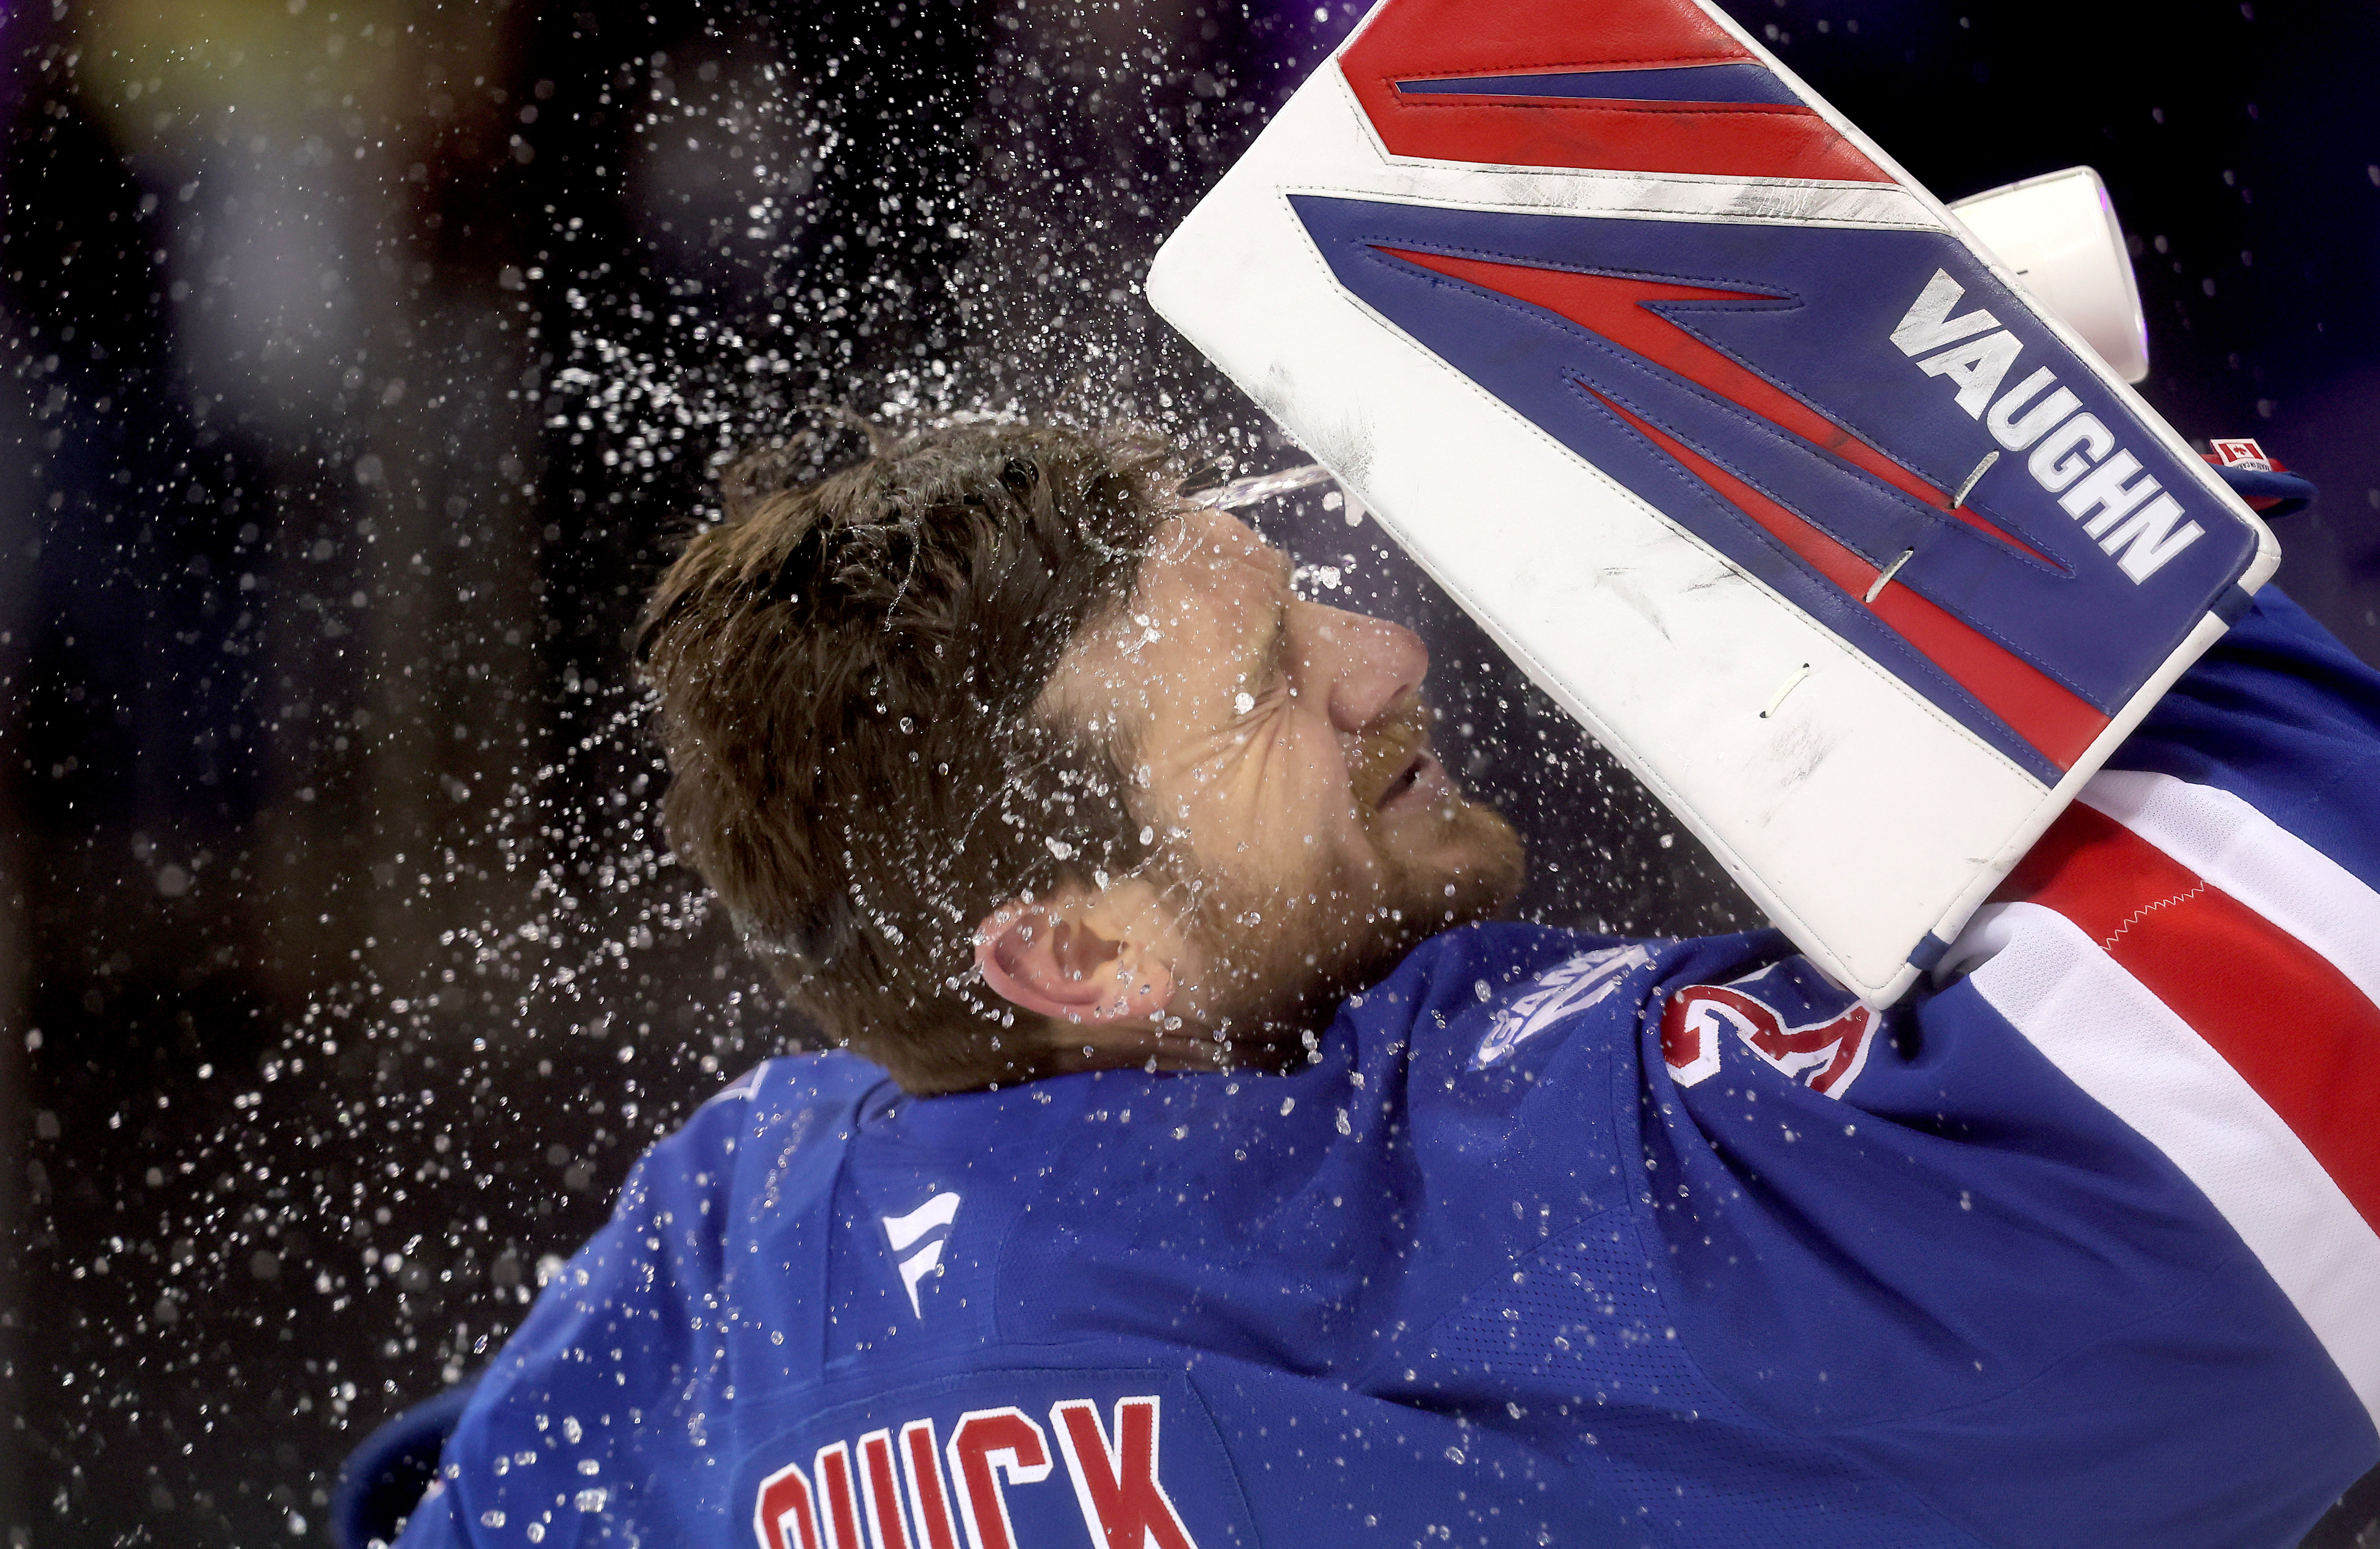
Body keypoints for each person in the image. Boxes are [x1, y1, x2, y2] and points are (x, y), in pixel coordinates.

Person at [386, 421, 2379, 1549]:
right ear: (1078, 955)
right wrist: (2035, 528)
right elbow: (2315, 1057)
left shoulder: (739, 1236)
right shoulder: (1481, 1175)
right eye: (1270, 688)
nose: (1384, 651)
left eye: (1296, 585)